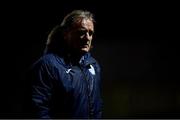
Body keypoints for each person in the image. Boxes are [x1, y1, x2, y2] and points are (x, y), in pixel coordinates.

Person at [28, 9, 103, 119]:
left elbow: (97, 106)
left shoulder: (93, 66)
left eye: (90, 33)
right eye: (81, 32)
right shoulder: (47, 65)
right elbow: (37, 109)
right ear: (65, 34)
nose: (87, 38)